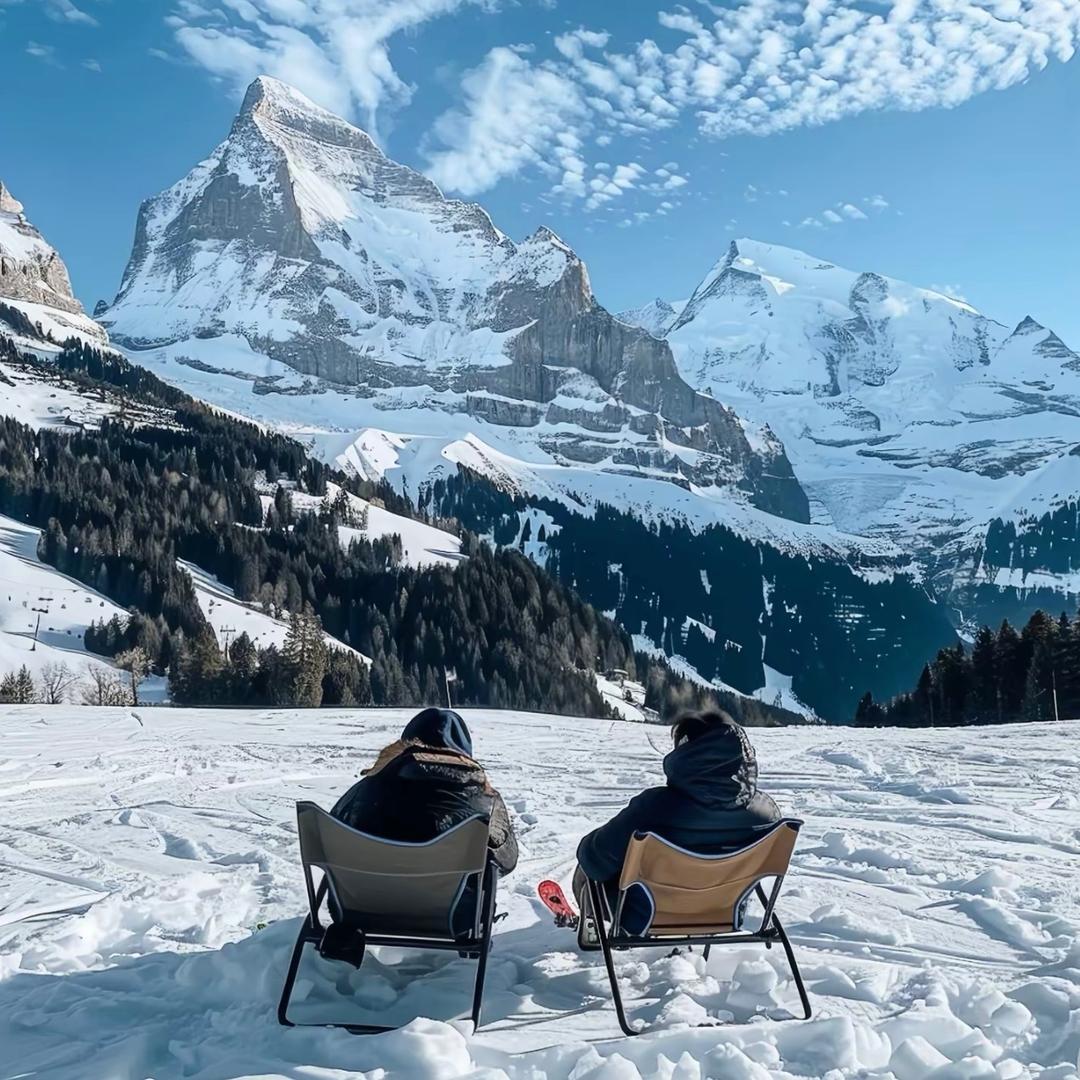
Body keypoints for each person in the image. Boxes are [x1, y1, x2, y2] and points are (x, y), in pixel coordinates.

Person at [574, 708, 781, 934]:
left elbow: (594, 861)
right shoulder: (766, 813)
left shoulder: (655, 807)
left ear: (684, 753)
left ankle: (599, 931)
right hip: (724, 914)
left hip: (644, 917)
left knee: (589, 869)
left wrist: (590, 847)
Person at [331, 708, 518, 936]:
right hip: (454, 915)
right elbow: (506, 861)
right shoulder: (485, 799)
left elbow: (332, 838)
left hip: (357, 907)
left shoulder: (368, 788)